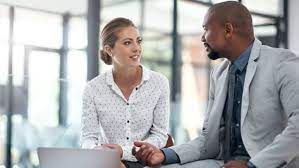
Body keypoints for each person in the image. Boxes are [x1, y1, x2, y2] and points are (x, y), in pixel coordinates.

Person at [133, 1, 299, 168]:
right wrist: (163, 154)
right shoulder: (219, 74)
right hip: (223, 163)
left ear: (228, 30)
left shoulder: (281, 63)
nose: (202, 37)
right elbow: (208, 141)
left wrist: (252, 166)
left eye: (206, 29)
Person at [80, 17, 170, 168]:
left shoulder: (159, 83)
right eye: (128, 43)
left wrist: (124, 151)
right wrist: (96, 150)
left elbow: (160, 135)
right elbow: (88, 138)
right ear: (109, 49)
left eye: (138, 41)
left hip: (146, 162)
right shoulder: (93, 89)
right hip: (109, 163)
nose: (137, 48)